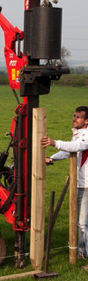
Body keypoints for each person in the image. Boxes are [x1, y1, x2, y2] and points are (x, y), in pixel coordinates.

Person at [41, 106, 88, 259]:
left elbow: (76, 147)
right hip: (78, 184)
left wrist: (54, 142)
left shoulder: (86, 135)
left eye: (78, 117)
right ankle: (81, 252)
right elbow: (69, 151)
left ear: (86, 121)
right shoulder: (77, 134)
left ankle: (84, 253)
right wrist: (52, 158)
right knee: (78, 222)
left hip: (86, 185)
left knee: (82, 223)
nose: (74, 119)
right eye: (74, 116)